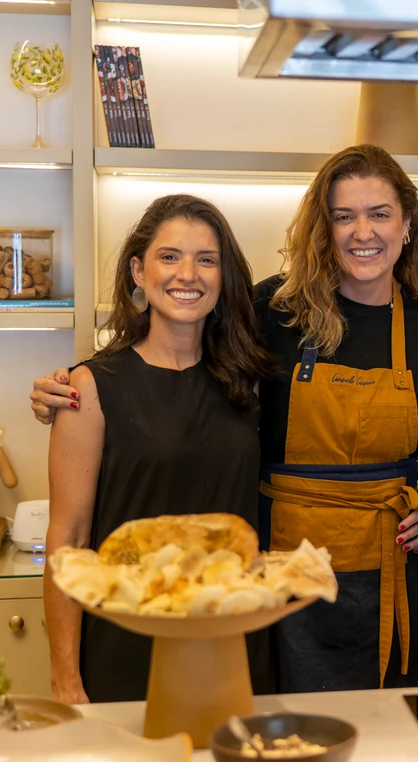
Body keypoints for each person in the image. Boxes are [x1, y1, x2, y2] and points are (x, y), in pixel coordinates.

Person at [33, 144, 418, 692]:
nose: (363, 232)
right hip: (280, 583)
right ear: (322, 229)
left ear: (407, 225)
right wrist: (66, 389)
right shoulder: (271, 313)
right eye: (343, 216)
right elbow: (167, 346)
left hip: (396, 569)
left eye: (379, 215)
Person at [45, 194, 272, 703]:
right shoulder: (90, 387)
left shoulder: (249, 382)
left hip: (234, 636)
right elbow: (68, 539)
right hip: (128, 639)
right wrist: (65, 677)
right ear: (138, 271)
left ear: (224, 276)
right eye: (169, 256)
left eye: (206, 260)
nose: (187, 274)